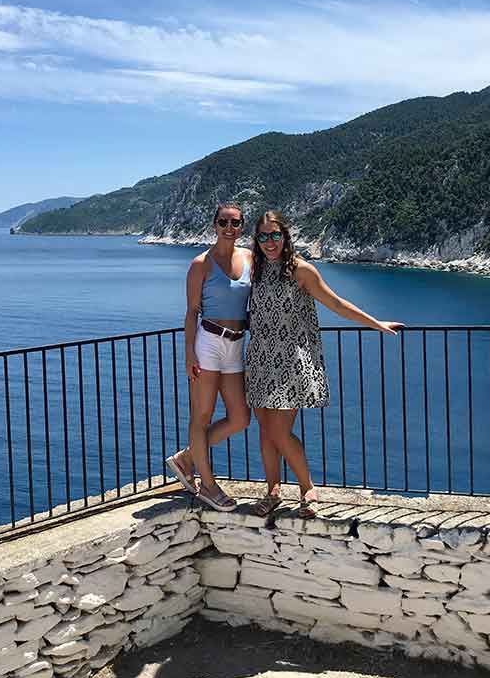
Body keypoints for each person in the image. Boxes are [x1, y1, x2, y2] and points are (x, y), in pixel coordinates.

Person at [246, 211, 403, 518]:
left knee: (279, 432)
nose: (269, 242)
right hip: (260, 358)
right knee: (265, 431)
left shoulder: (302, 271)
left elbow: (336, 303)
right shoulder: (256, 269)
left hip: (290, 361)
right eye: (263, 236)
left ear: (285, 236)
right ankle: (273, 491)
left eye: (275, 235)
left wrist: (375, 323)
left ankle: (307, 488)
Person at [165, 202, 252, 511]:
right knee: (202, 416)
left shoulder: (250, 259)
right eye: (224, 222)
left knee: (241, 418)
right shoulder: (201, 263)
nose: (230, 228)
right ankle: (208, 485)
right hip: (209, 343)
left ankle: (187, 457)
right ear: (214, 225)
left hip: (236, 345)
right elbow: (191, 311)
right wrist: (189, 351)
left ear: (242, 226)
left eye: (236, 223)